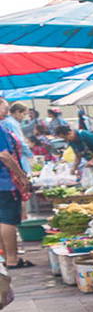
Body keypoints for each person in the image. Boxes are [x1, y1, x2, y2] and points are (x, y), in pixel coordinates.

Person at [0, 113, 29, 269]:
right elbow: (4, 155)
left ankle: (6, 257)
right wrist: (21, 175)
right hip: (5, 182)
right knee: (8, 220)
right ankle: (12, 259)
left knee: (2, 219)